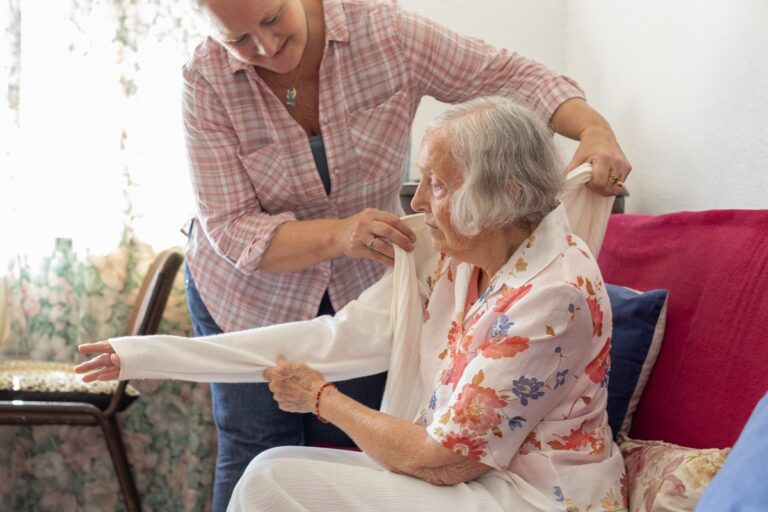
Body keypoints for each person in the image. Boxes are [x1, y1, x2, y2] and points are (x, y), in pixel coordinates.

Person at [77, 96, 628, 512]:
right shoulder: (460, 254)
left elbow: (444, 460)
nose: (416, 201)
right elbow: (329, 339)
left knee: (271, 480)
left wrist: (322, 400)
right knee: (270, 465)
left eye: (437, 184)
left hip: (532, 496)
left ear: (506, 194)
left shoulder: (552, 294)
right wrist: (142, 355)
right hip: (477, 476)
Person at [181, 0, 630, 508]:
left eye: (271, 19)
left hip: (515, 480)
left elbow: (509, 76)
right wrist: (141, 355)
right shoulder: (457, 264)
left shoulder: (385, 33)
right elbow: (232, 228)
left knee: (313, 461)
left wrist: (594, 129)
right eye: (237, 40)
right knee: (254, 450)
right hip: (249, 290)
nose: (264, 47)